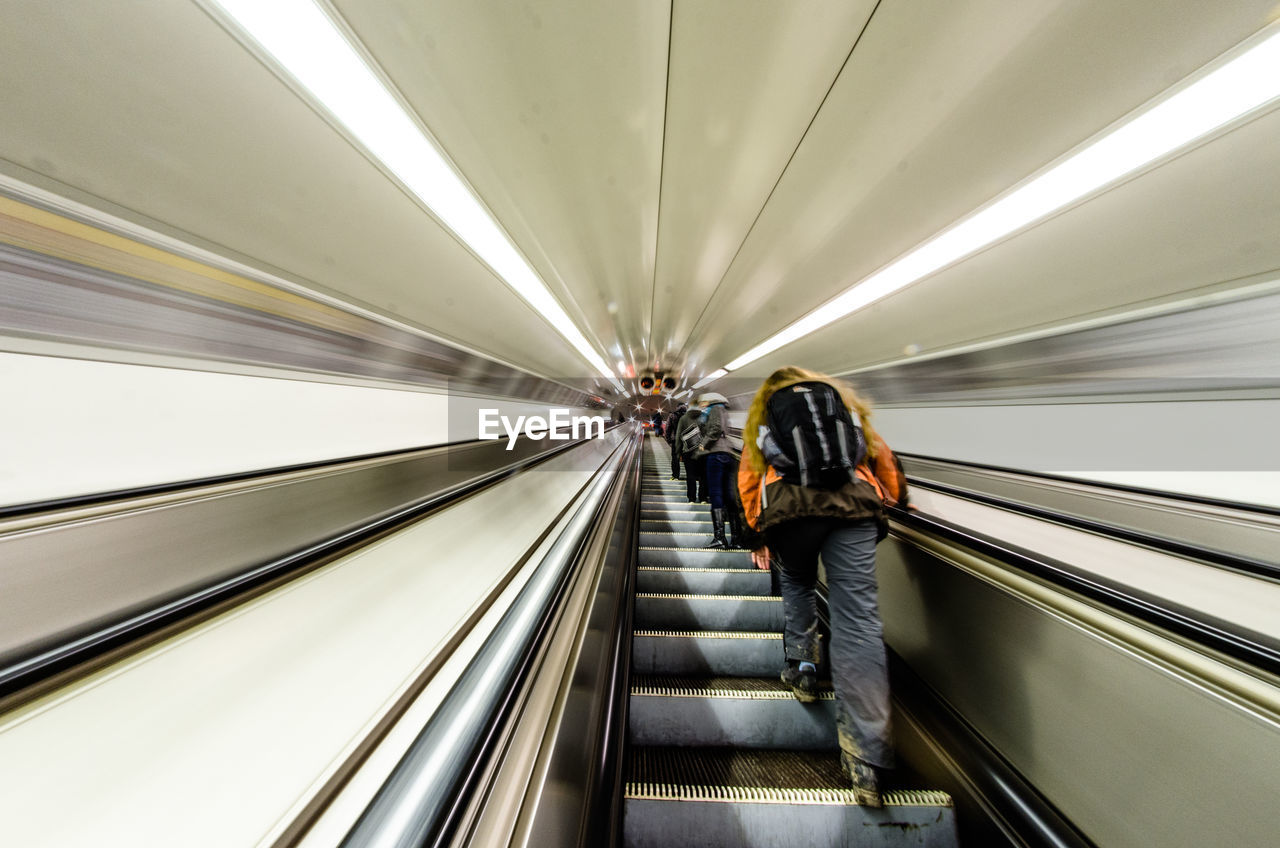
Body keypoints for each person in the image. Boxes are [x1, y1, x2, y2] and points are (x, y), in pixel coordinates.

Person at [736, 366, 909, 807]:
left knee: (796, 580)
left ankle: (803, 668)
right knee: (859, 623)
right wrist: (893, 498)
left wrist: (758, 533)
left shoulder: (765, 418)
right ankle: (867, 755)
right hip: (853, 510)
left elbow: (750, 478)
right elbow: (883, 461)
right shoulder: (842, 411)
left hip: (792, 513)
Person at [694, 392, 740, 548]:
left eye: (702, 401)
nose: (701, 404)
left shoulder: (714, 409)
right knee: (729, 496)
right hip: (728, 454)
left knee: (716, 494)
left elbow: (715, 428)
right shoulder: (723, 410)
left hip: (716, 454)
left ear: (709, 401)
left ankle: (720, 538)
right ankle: (736, 539)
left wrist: (703, 444)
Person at [674, 403, 706, 503]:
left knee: (690, 475)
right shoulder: (704, 417)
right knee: (702, 476)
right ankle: (703, 498)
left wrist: (678, 452)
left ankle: (691, 498)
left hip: (688, 451)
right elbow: (707, 433)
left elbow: (679, 436)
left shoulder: (683, 418)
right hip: (702, 451)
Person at [665, 404, 687, 479]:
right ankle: (691, 475)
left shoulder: (672, 415)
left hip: (675, 440)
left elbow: (668, 429)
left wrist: (669, 441)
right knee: (688, 458)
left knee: (675, 458)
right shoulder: (688, 416)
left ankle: (675, 475)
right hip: (687, 440)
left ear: (677, 408)